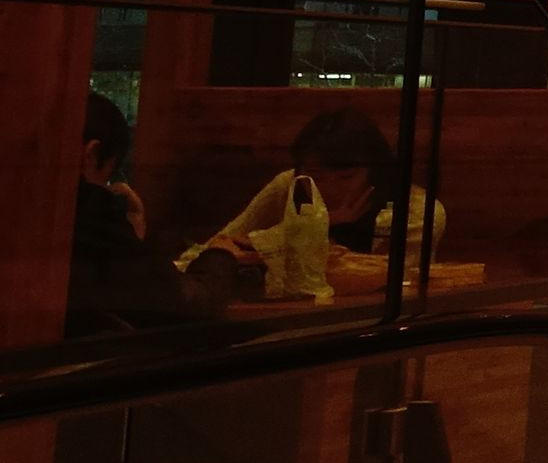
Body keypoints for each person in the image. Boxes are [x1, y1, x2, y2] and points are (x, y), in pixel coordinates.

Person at [179, 106, 439, 284]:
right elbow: (202, 255)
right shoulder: (291, 186)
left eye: (346, 177)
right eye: (316, 175)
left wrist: (281, 244)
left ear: (374, 172)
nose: (329, 188)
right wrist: (322, 222)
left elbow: (392, 282)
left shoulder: (416, 211)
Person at [67, 93, 193, 336]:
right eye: (107, 175)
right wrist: (221, 254)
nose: (106, 187)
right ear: (91, 155)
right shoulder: (88, 212)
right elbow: (181, 304)